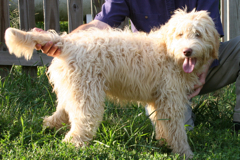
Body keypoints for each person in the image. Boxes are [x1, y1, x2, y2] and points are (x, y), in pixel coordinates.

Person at [35, 0, 240, 133]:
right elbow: (99, 25)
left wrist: (203, 70)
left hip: (204, 65)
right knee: (180, 130)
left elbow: (212, 36)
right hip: (154, 76)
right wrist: (63, 41)